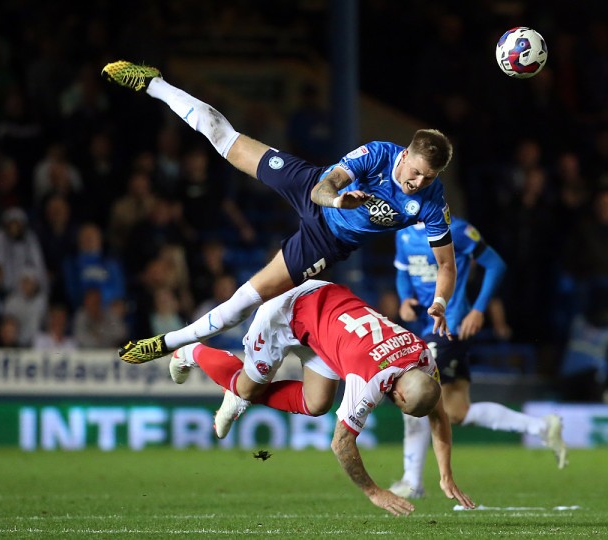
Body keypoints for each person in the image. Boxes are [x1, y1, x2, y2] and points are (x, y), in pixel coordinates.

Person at [102, 61, 457, 364]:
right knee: (223, 136)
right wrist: (338, 201)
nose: (418, 181)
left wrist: (440, 302)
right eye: (416, 171)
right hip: (308, 185)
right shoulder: (378, 153)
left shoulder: (432, 201)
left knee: (245, 302)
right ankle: (153, 83)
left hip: (326, 242)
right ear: (406, 155)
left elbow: (445, 265)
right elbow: (323, 188)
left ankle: (167, 343)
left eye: (429, 177)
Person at [165, 280, 475, 516]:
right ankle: (192, 353)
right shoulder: (369, 379)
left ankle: (238, 398)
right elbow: (340, 444)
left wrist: (446, 476)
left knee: (317, 403)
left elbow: (438, 413)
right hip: (288, 310)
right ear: (399, 395)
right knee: (247, 387)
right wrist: (374, 492)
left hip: (330, 313)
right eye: (407, 410)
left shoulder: (423, 358)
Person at [389, 217, 566, 499]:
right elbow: (402, 270)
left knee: (412, 398)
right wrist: (404, 298)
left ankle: (412, 482)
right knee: (457, 411)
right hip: (427, 328)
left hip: (450, 326)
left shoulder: (456, 230)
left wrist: (479, 309)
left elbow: (496, 264)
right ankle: (542, 426)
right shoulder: (403, 233)